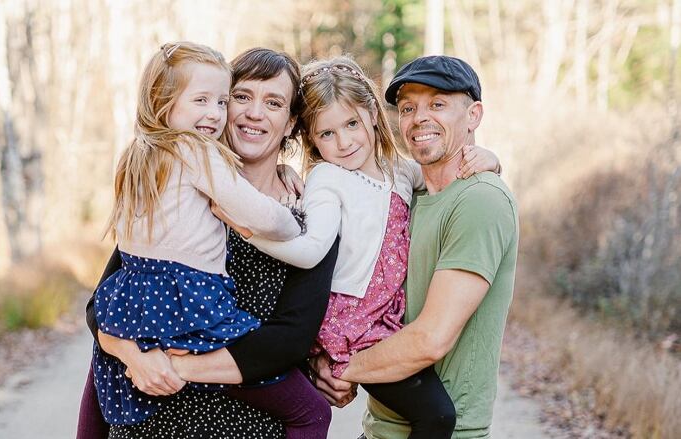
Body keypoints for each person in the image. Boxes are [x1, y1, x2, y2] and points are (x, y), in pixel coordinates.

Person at [77, 47, 338, 439]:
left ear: (290, 124)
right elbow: (105, 304)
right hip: (150, 422)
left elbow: (289, 341)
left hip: (246, 427)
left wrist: (172, 365)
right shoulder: (176, 195)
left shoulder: (310, 221)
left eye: (273, 102)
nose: (253, 113)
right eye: (241, 97)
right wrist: (134, 356)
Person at [236, 56, 501, 439]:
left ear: (373, 115)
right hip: (351, 326)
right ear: (311, 138)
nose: (343, 143)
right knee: (437, 416)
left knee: (431, 413)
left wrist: (492, 161)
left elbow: (443, 176)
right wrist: (249, 231)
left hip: (385, 321)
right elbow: (310, 249)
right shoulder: (327, 179)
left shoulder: (399, 170)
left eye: (351, 124)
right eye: (326, 134)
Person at [311, 55, 519, 439]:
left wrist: (339, 367)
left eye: (437, 104)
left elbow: (430, 340)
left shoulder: (479, 200)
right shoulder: (408, 195)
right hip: (381, 429)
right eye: (408, 108)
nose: (419, 117)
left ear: (474, 115)